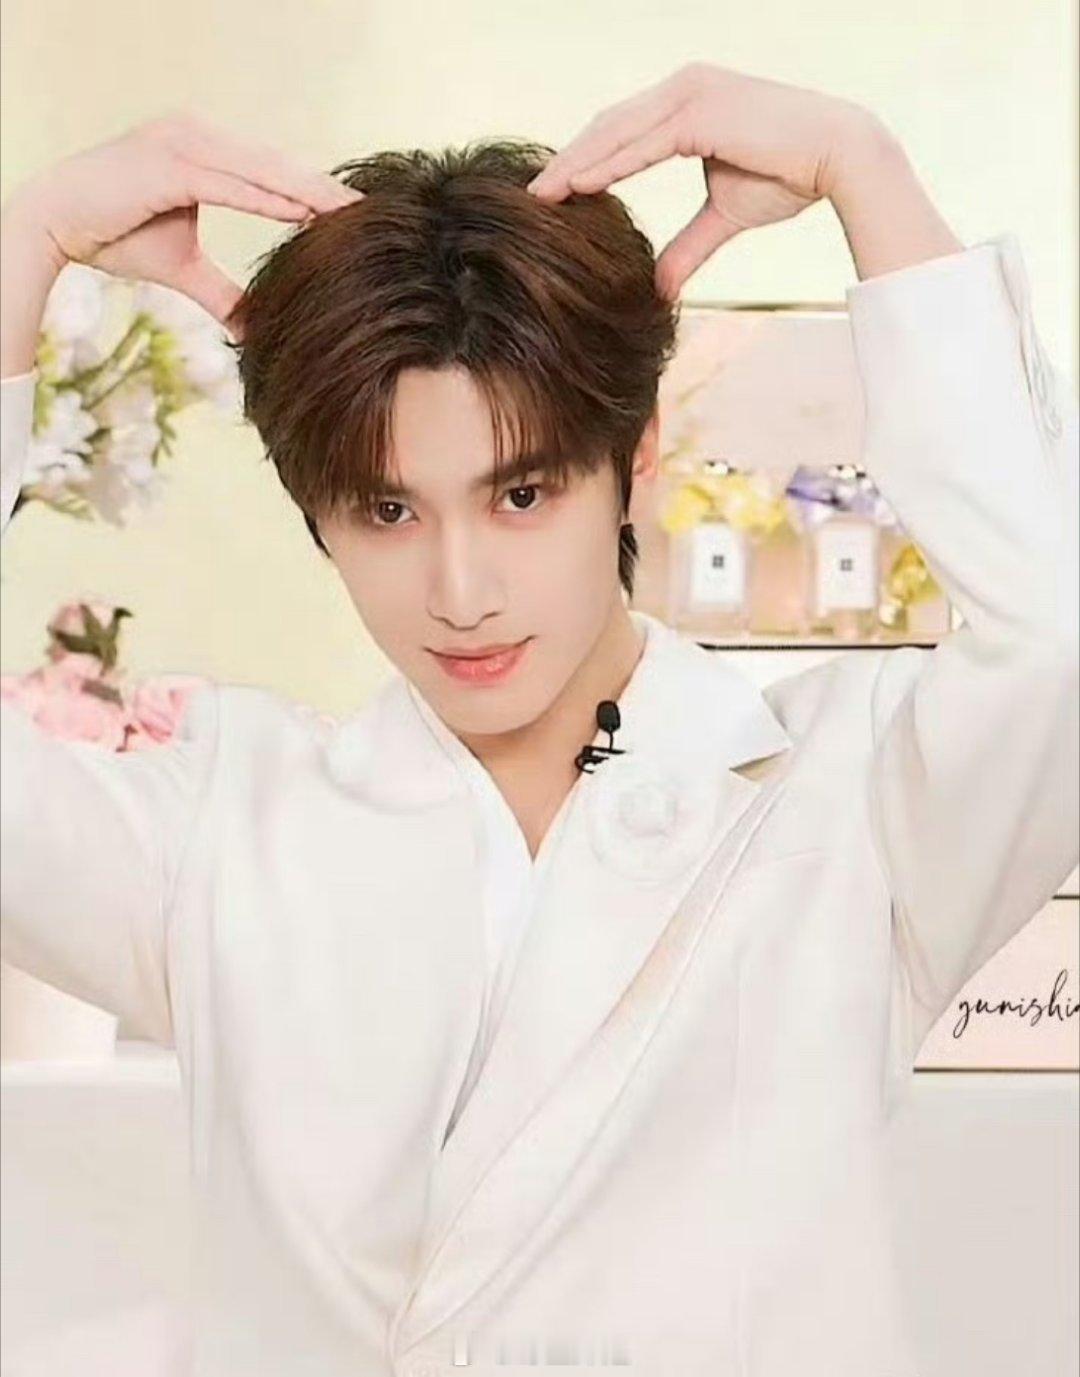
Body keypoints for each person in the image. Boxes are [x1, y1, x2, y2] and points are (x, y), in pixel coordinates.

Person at [1, 62, 1076, 1377]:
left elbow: (1060, 648)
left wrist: (865, 165)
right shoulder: (219, 832)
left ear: (636, 458)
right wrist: (23, 241)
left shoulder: (846, 804)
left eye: (521, 496)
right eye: (388, 510)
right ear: (315, 511)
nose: (461, 593)